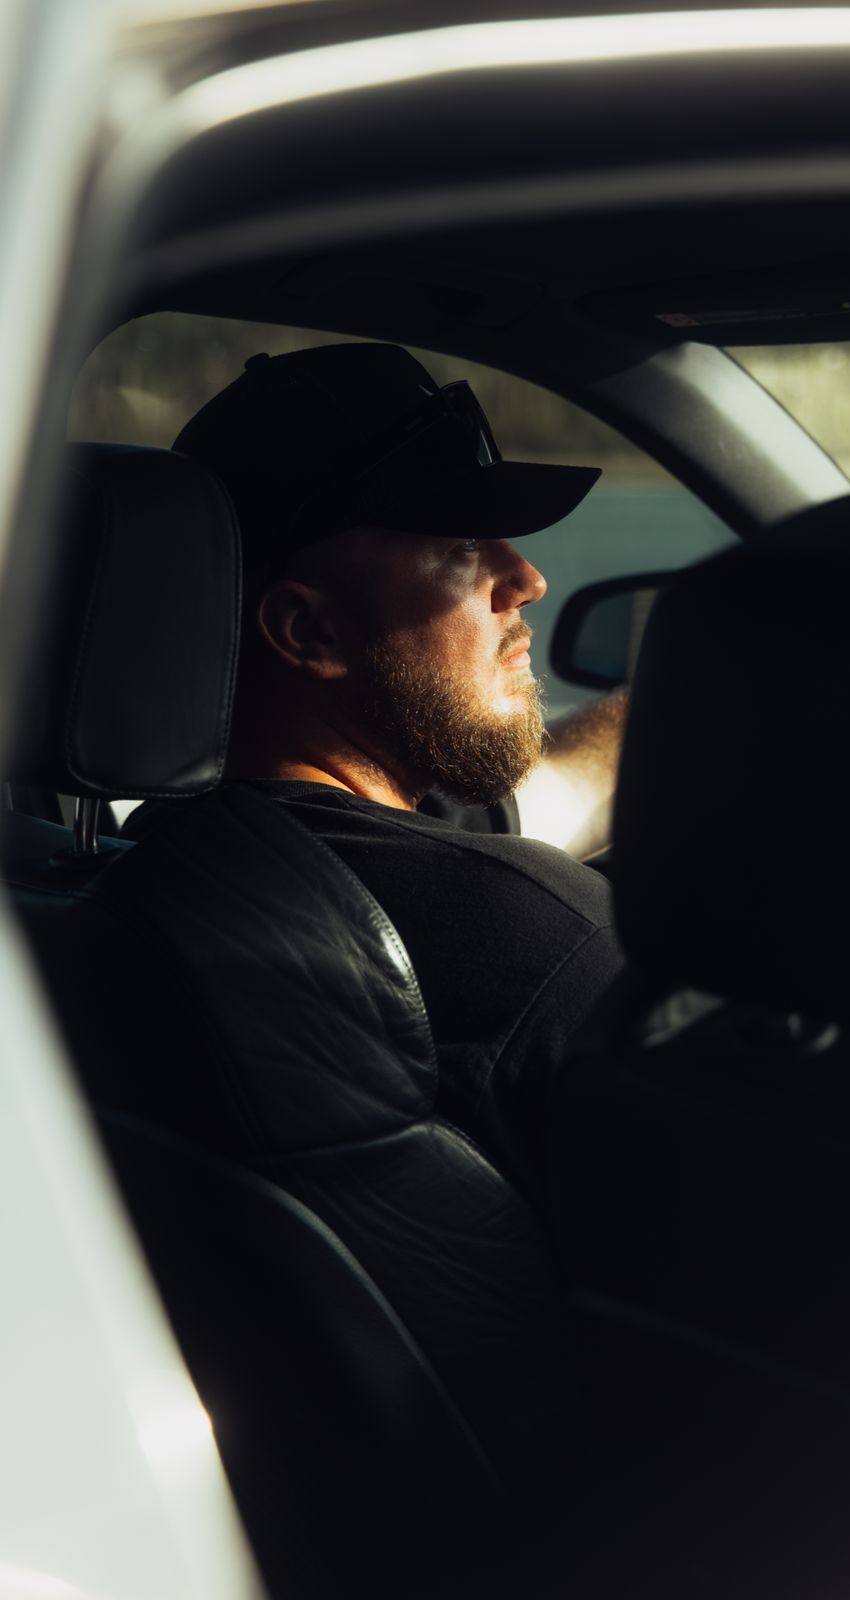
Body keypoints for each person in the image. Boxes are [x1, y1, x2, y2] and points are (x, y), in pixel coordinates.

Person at [126, 341, 626, 1194]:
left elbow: (563, 789)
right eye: (463, 542)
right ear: (308, 631)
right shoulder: (543, 949)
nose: (527, 578)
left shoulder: (160, 866)